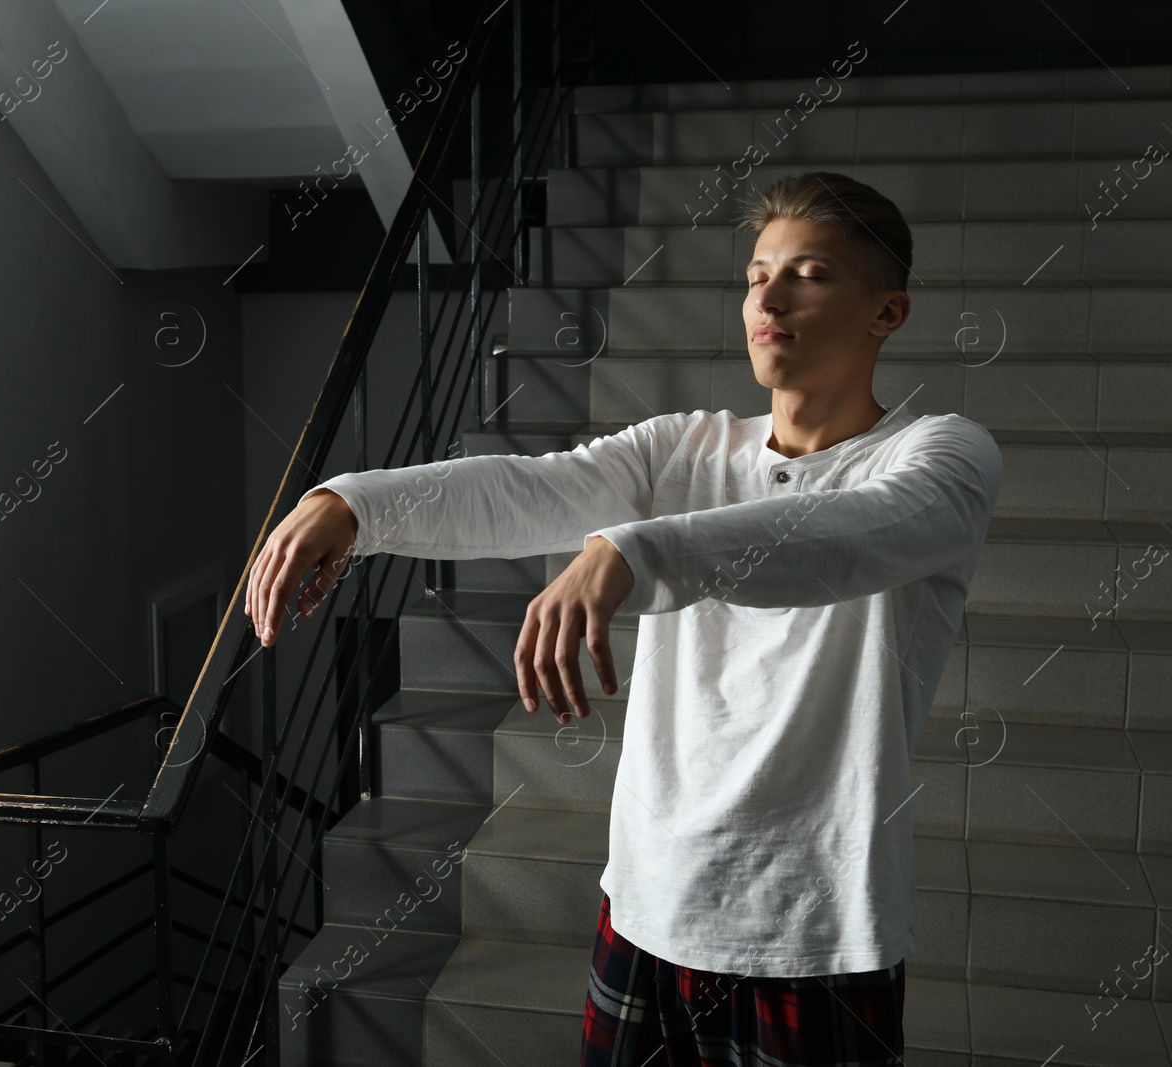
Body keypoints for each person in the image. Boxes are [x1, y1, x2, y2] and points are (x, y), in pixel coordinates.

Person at [244, 170, 1002, 1066]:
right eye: (758, 274)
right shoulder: (683, 445)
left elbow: (840, 539)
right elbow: (527, 487)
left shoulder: (942, 454)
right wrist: (356, 505)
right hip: (649, 904)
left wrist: (633, 552)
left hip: (816, 930)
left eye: (810, 273)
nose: (770, 295)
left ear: (888, 312)